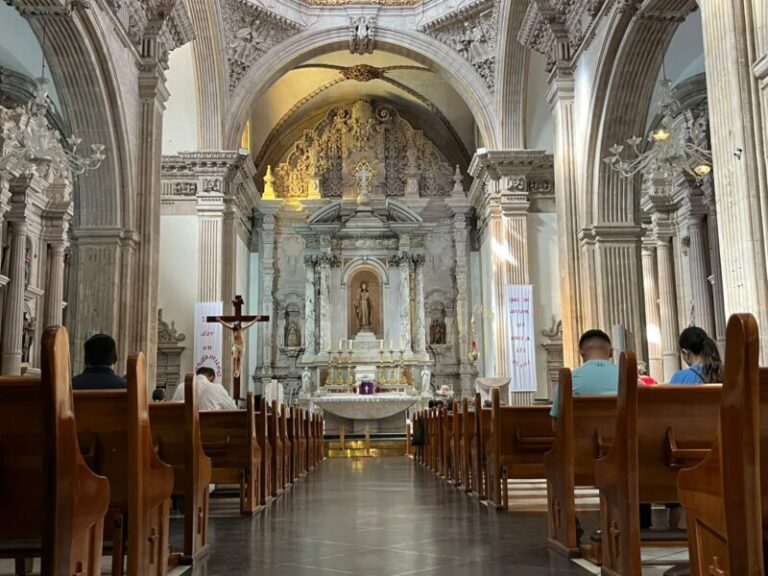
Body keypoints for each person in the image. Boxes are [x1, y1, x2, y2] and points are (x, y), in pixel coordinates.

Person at [550, 329, 619, 418]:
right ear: (611, 352)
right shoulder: (628, 377)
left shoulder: (568, 380)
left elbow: (556, 422)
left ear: (581, 352)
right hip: (624, 431)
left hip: (579, 432)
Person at [172, 367, 237, 411]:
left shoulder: (181, 387)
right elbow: (233, 408)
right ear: (212, 377)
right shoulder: (217, 388)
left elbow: (173, 408)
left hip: (183, 428)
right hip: (209, 429)